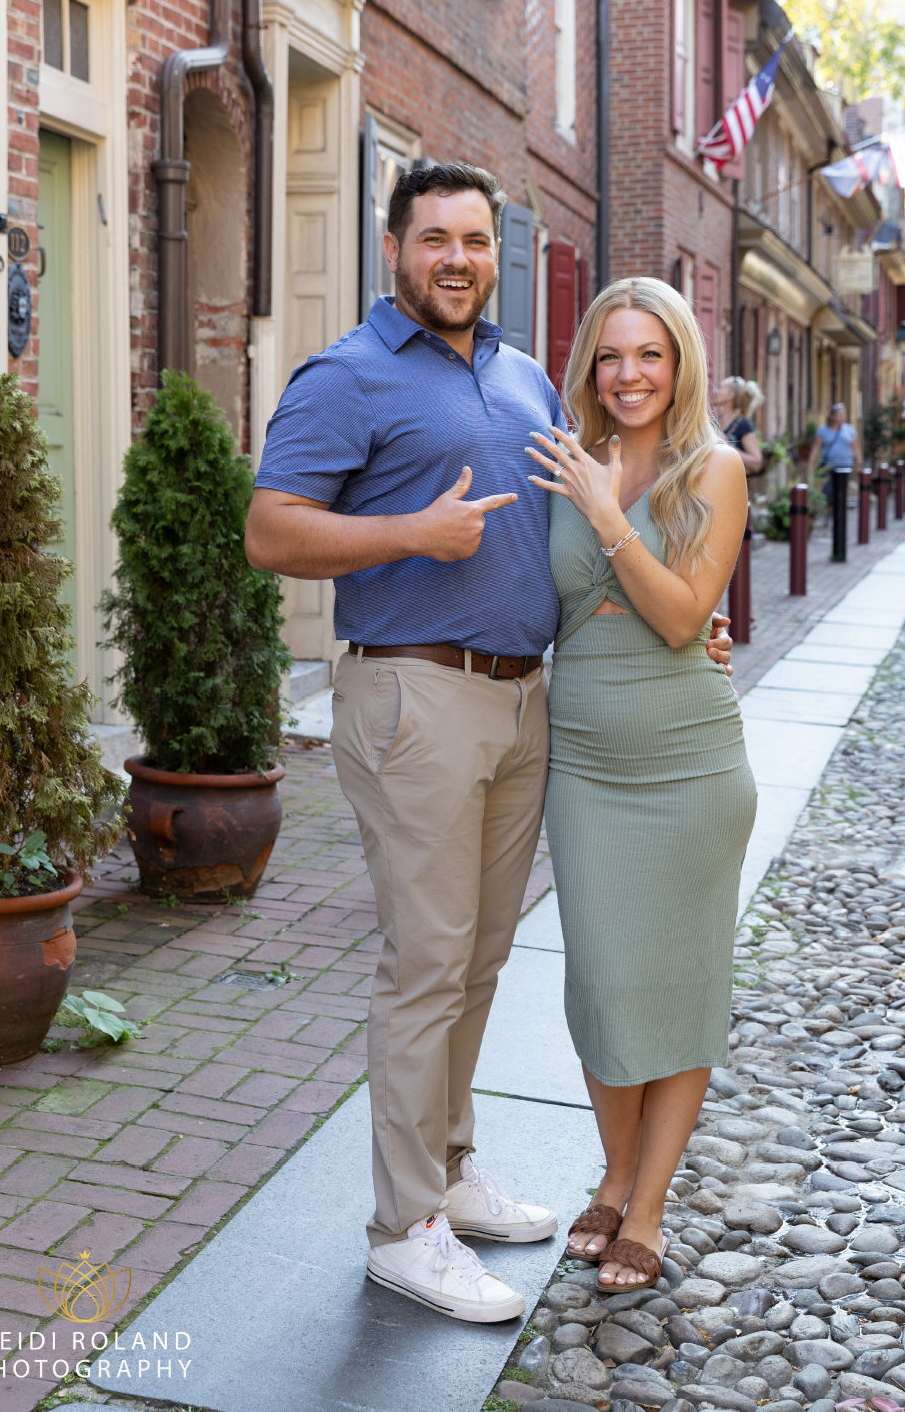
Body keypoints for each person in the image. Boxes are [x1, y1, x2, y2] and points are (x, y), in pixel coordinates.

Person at [245, 164, 732, 1324]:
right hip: (414, 695)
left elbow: (589, 538)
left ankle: (451, 1175)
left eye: (474, 238)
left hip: (525, 705)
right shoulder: (346, 376)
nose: (456, 258)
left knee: (474, 962)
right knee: (423, 966)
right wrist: (411, 530)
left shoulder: (521, 378)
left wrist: (687, 625)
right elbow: (270, 530)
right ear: (392, 247)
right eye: (432, 239)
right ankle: (401, 1228)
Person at [526, 277, 757, 1295]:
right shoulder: (562, 460)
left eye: (648, 355)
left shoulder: (714, 468)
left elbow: (678, 618)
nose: (628, 375)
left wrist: (603, 515)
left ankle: (644, 1204)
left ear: (680, 365)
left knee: (679, 988)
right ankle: (613, 1170)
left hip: (690, 768)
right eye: (610, 356)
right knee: (604, 985)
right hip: (583, 766)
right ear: (588, 366)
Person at [808, 402, 861, 521]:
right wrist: (811, 464)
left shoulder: (850, 430)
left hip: (846, 466)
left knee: (841, 491)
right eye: (840, 413)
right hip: (828, 466)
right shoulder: (823, 430)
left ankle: (838, 514)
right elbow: (816, 448)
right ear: (833, 416)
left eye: (844, 413)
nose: (843, 416)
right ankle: (831, 511)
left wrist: (860, 464)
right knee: (828, 490)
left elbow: (856, 448)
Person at [712, 376, 764, 474]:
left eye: (719, 387)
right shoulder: (712, 424)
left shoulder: (742, 424)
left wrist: (729, 447)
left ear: (730, 396)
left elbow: (757, 463)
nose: (714, 390)